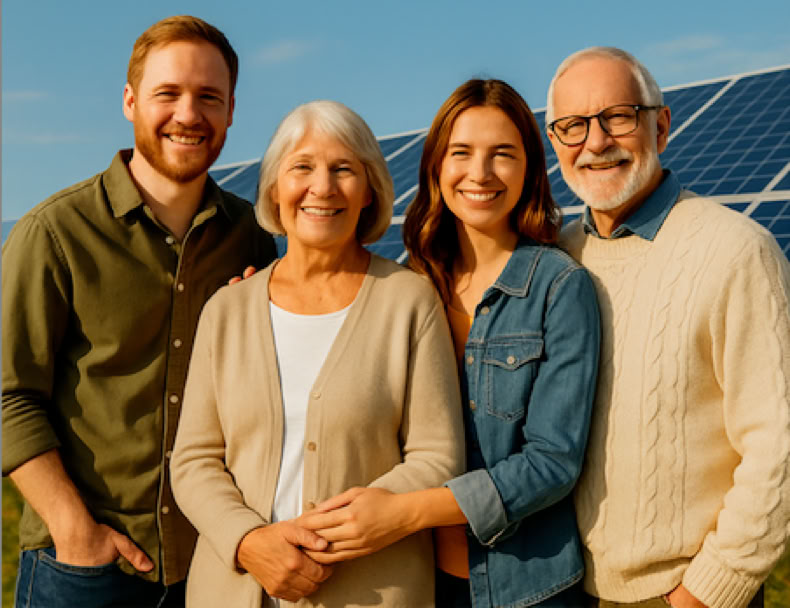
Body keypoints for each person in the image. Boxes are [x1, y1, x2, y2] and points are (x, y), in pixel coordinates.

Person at [2, 15, 276, 608]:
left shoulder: (252, 238)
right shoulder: (55, 233)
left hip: (211, 566)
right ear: (130, 101)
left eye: (209, 97)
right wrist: (75, 531)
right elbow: (8, 395)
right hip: (82, 569)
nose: (188, 114)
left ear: (231, 111)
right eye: (167, 93)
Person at [297, 79, 601, 607]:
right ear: (437, 166)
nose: (479, 174)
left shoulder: (558, 287)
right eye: (461, 153)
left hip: (525, 589)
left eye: (502, 154)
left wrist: (404, 511)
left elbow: (552, 462)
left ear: (529, 168)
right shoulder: (406, 287)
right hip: (411, 580)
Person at [169, 99, 466, 607]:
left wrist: (335, 531)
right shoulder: (227, 310)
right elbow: (194, 461)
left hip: (375, 592)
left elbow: (438, 456)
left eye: (344, 169)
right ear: (273, 189)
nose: (322, 187)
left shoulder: (409, 301)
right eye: (301, 167)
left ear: (370, 189)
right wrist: (249, 541)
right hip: (233, 590)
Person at [543, 46, 790, 608]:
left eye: (618, 117)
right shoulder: (555, 260)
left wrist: (707, 592)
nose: (597, 141)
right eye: (573, 125)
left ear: (661, 124)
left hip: (678, 594)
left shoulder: (737, 251)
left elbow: (780, 445)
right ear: (554, 142)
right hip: (564, 589)